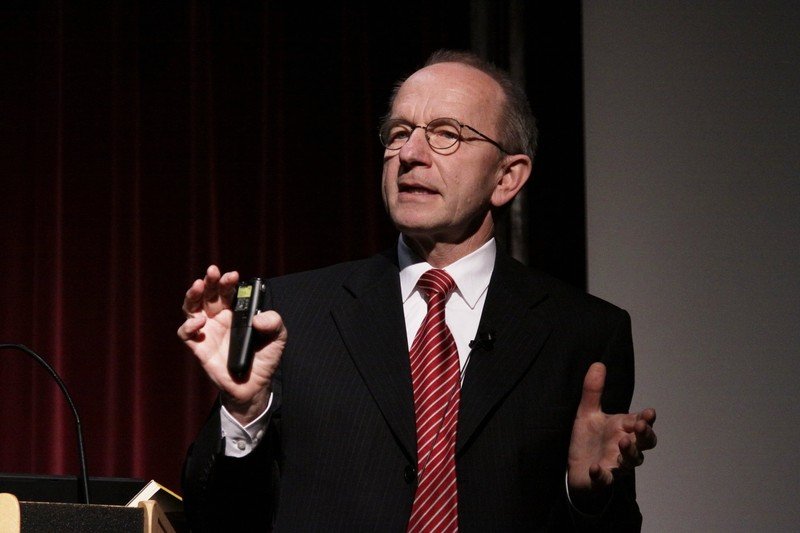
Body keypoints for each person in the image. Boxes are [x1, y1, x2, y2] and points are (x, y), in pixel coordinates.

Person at [178, 49, 656, 532]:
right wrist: (244, 414)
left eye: (447, 134)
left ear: (507, 177)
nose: (410, 154)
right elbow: (214, 519)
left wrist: (585, 496)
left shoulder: (583, 333)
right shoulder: (291, 314)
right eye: (399, 133)